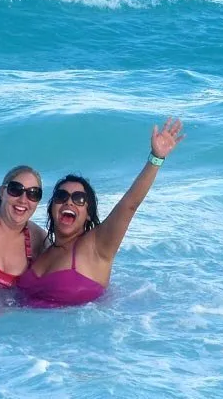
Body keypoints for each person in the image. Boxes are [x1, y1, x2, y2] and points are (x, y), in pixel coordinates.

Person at [17, 118, 184, 307]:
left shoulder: (97, 245)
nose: (69, 202)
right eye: (61, 196)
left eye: (79, 199)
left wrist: (156, 159)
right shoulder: (43, 249)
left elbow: (130, 204)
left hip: (76, 334)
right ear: (52, 207)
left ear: (88, 213)